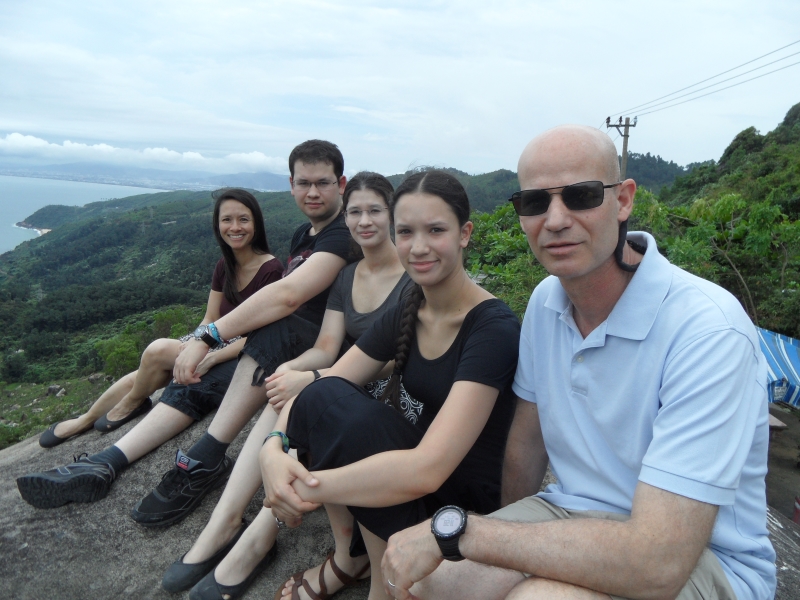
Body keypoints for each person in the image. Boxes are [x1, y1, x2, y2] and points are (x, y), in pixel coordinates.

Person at [381, 126, 776, 600]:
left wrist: (472, 535)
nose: (555, 220)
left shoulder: (708, 331)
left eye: (581, 195)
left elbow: (657, 563)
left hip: (703, 556)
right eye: (534, 202)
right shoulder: (546, 302)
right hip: (569, 510)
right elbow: (526, 443)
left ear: (623, 200)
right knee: (425, 581)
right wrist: (504, 543)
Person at [260, 170, 521, 600]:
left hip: (457, 505)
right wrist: (272, 449)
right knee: (328, 397)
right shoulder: (411, 305)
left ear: (464, 233)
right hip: (405, 482)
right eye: (406, 232)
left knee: (360, 424)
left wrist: (301, 487)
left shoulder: (492, 329)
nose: (418, 247)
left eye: (436, 230)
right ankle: (364, 566)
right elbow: (326, 384)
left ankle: (382, 587)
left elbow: (428, 469)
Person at [159, 172, 415, 598]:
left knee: (309, 397)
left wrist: (312, 378)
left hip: (384, 393)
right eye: (355, 211)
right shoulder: (348, 276)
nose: (364, 220)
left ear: (393, 214)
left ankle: (258, 537)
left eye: (375, 210)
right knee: (288, 388)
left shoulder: (412, 273)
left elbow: (393, 360)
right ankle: (232, 526)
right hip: (341, 377)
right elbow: (327, 345)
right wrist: (292, 368)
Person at [121, 139, 355, 527]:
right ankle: (163, 451)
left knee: (274, 324)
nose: (312, 192)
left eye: (323, 183)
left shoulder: (343, 233)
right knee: (204, 368)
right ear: (291, 185)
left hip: (325, 354)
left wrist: (208, 337)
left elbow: (288, 295)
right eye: (303, 183)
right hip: (290, 349)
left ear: (341, 184)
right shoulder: (305, 234)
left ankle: (207, 458)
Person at [17, 188, 283, 507]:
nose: (235, 227)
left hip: (237, 352)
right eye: (227, 220)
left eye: (243, 219)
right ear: (217, 225)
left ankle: (127, 405)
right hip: (211, 340)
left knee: (157, 352)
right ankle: (87, 419)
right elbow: (210, 317)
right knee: (150, 368)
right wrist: (194, 343)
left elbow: (258, 336)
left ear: (256, 224)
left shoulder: (271, 270)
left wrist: (211, 356)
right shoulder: (223, 266)